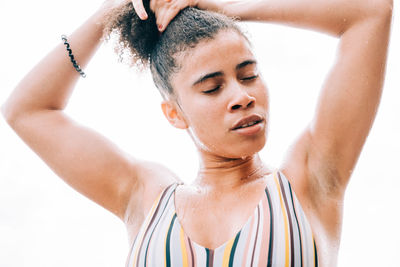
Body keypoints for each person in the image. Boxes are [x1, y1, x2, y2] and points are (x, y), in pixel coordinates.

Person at [0, 0, 393, 266]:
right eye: (212, 87)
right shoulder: (145, 197)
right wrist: (115, 10)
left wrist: (227, 8)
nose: (242, 96)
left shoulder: (310, 180)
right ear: (174, 113)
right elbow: (27, 110)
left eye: (249, 74)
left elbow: (370, 11)